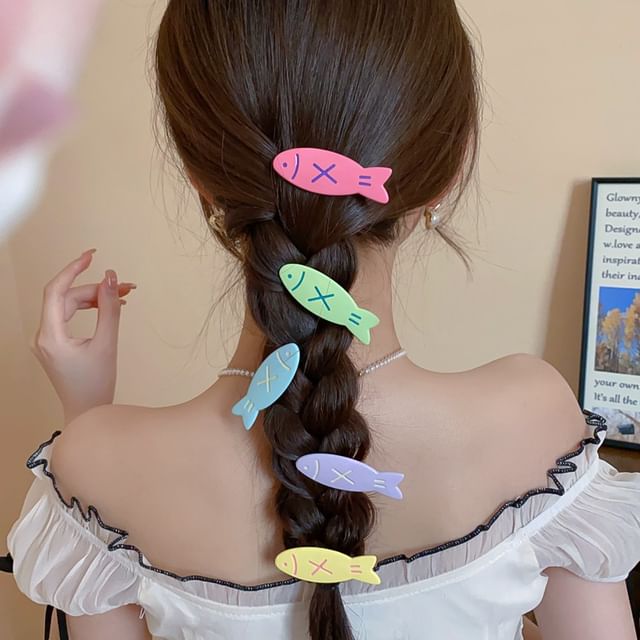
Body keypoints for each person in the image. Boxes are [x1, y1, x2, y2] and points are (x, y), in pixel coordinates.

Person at [5, 2, 640, 639]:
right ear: (450, 166)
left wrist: (88, 418)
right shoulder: (534, 419)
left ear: (200, 175)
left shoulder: (98, 468)